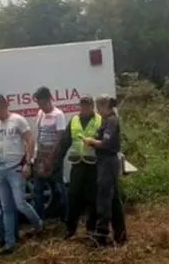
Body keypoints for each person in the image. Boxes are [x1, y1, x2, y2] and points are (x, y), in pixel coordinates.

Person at [0, 94, 43, 256]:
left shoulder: (18, 120)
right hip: (0, 170)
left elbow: (30, 140)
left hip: (15, 169)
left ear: (2, 107)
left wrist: (28, 163)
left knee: (20, 203)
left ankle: (38, 224)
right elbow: (2, 143)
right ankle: (10, 243)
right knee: (6, 207)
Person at [82, 94, 127, 247]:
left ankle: (101, 237)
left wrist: (92, 142)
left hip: (108, 161)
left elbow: (106, 143)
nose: (97, 110)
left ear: (104, 106)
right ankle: (120, 235)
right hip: (106, 161)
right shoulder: (107, 121)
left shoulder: (112, 121)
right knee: (114, 201)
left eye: (98, 107)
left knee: (104, 199)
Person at [56, 96, 101, 240]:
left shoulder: (100, 120)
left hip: (93, 166)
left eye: (88, 106)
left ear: (92, 106)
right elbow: (64, 142)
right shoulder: (74, 121)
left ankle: (91, 229)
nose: (85, 108)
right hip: (78, 165)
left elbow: (105, 142)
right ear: (79, 107)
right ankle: (71, 229)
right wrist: (57, 160)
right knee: (73, 196)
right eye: (82, 106)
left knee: (93, 199)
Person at [32, 86, 68, 222]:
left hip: (53, 154)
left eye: (40, 101)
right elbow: (39, 133)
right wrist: (36, 154)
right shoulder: (40, 113)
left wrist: (51, 158)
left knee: (58, 187)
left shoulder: (58, 115)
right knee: (38, 189)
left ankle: (65, 217)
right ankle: (39, 220)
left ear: (47, 99)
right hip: (41, 153)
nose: (39, 104)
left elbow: (59, 139)